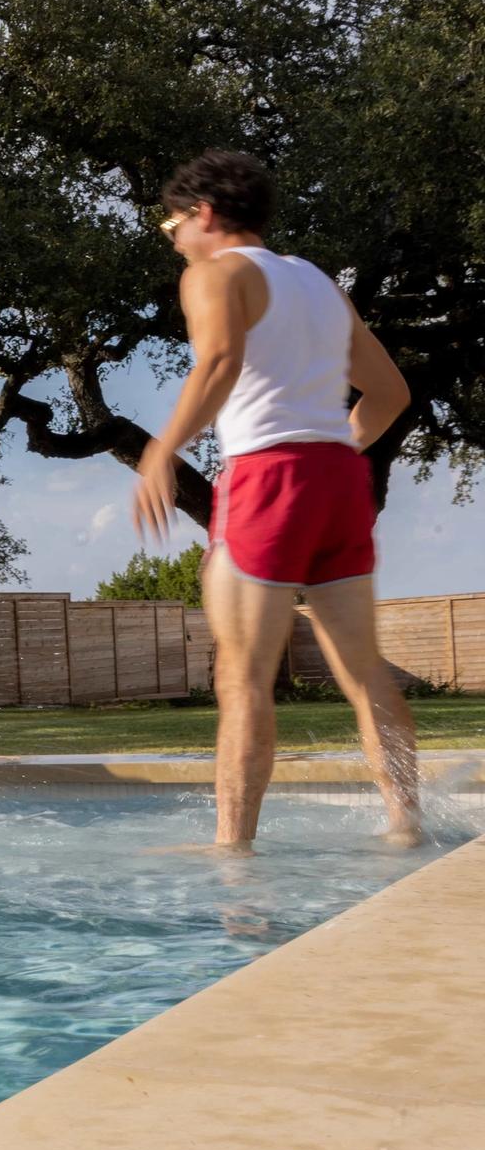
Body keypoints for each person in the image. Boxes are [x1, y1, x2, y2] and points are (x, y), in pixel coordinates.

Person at [133, 148, 420, 851]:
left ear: (203, 213)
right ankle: (408, 825)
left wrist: (161, 450)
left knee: (242, 675)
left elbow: (221, 362)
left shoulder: (213, 273)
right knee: (364, 670)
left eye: (172, 222)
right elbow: (390, 395)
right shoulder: (320, 284)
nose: (172, 237)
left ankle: (233, 845)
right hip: (337, 481)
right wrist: (336, 455)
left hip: (268, 478)